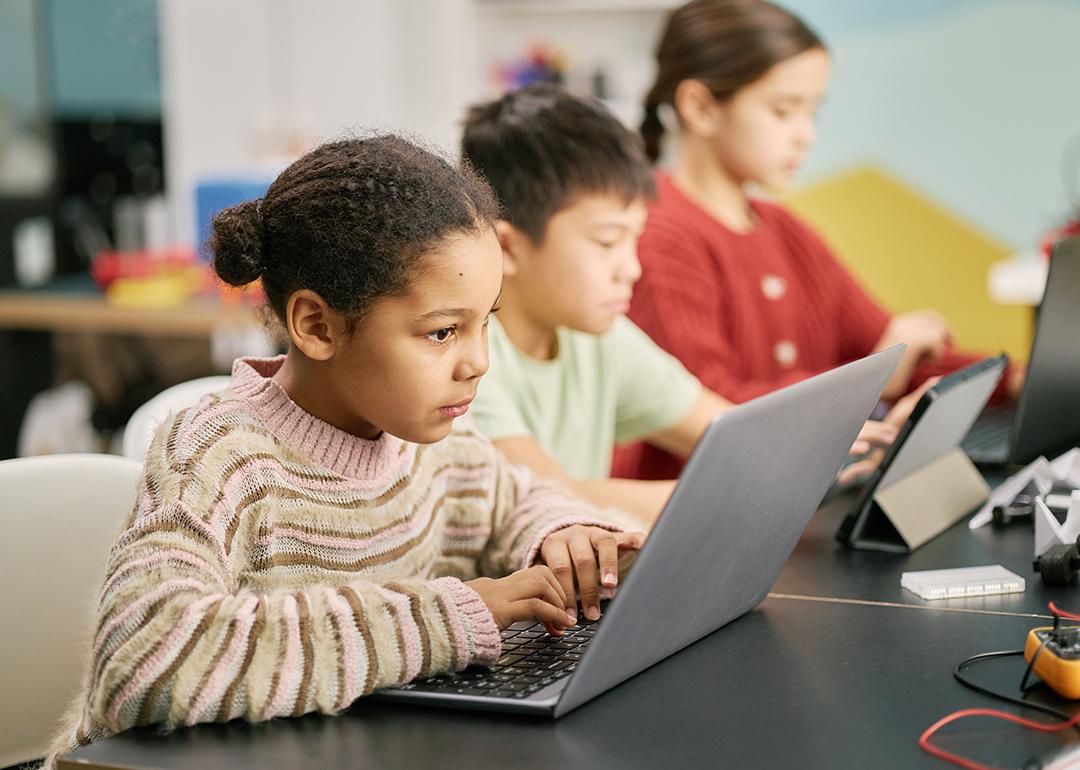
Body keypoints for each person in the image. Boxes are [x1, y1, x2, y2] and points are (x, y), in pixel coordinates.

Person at [48, 135, 642, 762]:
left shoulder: (437, 446)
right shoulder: (217, 457)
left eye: (485, 319)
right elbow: (145, 658)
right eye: (442, 331)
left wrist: (562, 532)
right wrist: (446, 619)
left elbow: (514, 502)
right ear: (317, 326)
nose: (479, 362)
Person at [461, 85, 902, 525]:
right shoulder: (470, 361)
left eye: (634, 240)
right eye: (607, 242)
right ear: (508, 248)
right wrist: (742, 490)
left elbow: (727, 434)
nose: (630, 268)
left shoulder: (600, 336)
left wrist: (839, 444)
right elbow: (550, 500)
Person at [616, 0, 1018, 481]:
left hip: (790, 495)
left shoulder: (784, 229)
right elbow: (709, 406)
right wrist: (876, 373)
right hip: (704, 508)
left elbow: (887, 349)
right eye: (784, 111)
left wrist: (1012, 378)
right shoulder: (659, 234)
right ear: (700, 107)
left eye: (812, 113)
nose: (806, 135)